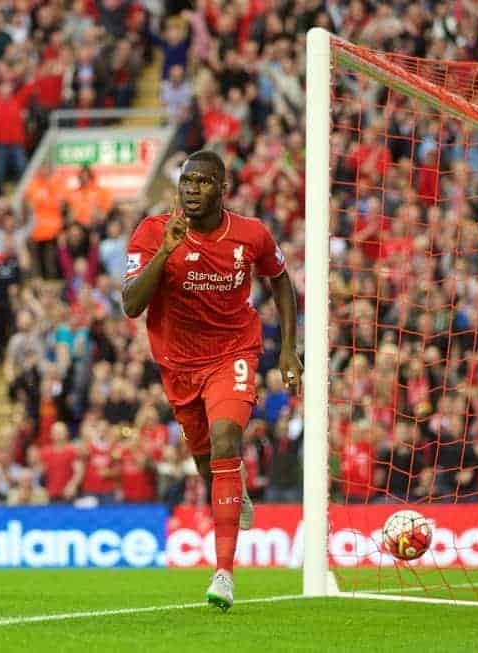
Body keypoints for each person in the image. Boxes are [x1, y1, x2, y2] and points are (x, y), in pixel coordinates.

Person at [121, 150, 300, 611]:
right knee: (207, 462)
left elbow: (281, 281)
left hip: (234, 352)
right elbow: (131, 304)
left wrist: (286, 348)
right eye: (186, 182)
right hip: (179, 365)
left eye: (202, 182)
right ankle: (230, 490)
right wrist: (166, 251)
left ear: (223, 188)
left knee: (226, 439)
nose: (192, 190)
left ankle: (224, 573)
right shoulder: (152, 232)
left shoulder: (251, 234)